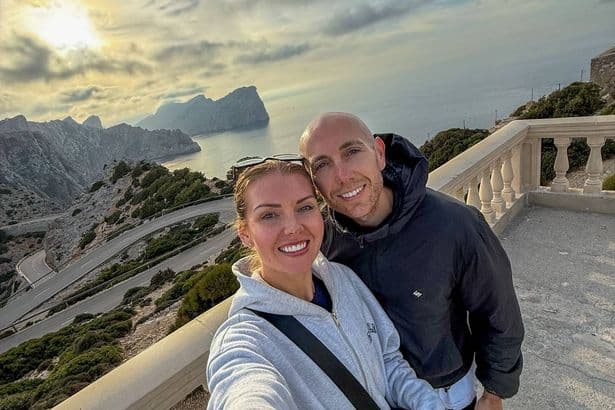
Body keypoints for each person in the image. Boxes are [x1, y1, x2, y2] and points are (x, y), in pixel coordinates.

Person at [299, 112, 524, 410]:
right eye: (322, 165)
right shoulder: (321, 240)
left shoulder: (455, 225)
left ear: (379, 153)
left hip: (444, 394)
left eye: (351, 152)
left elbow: (498, 313)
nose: (342, 176)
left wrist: (494, 392)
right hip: (372, 393)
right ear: (313, 181)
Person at [206, 159, 444, 409]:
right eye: (269, 215)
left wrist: (428, 404)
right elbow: (243, 388)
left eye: (305, 207)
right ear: (245, 234)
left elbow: (388, 361)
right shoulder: (246, 337)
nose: (292, 227)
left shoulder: (343, 279)